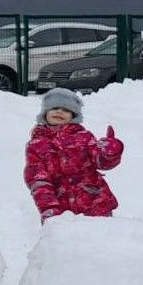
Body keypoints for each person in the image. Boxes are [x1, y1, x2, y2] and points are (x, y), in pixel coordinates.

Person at [24, 88, 125, 222]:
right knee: (71, 241)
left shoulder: (84, 137)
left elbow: (100, 162)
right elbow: (39, 181)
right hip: (63, 209)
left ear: (73, 116)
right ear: (45, 113)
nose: (60, 112)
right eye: (55, 108)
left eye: (66, 110)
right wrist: (49, 209)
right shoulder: (36, 145)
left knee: (102, 239)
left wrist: (110, 152)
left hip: (95, 201)